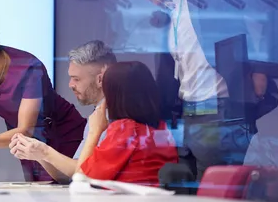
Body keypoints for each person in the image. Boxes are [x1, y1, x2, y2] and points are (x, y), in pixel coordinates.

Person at [118, 0, 278, 181]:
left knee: (213, 195)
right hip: (188, 117)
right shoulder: (170, 9)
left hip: (221, 113)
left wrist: (261, 70)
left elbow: (274, 10)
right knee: (183, 192)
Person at [0, 3, 86, 182]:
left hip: (61, 133)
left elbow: (25, 129)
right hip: (26, 142)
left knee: (71, 190)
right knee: (39, 198)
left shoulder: (29, 68)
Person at [13, 61, 178, 184]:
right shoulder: (160, 128)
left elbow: (81, 178)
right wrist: (42, 153)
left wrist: (95, 131)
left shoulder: (125, 130)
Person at [8, 40, 117, 183]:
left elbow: (81, 173)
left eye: (76, 79)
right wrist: (39, 154)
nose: (71, 85)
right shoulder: (96, 117)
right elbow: (71, 175)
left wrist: (45, 152)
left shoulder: (114, 118)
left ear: (100, 79)